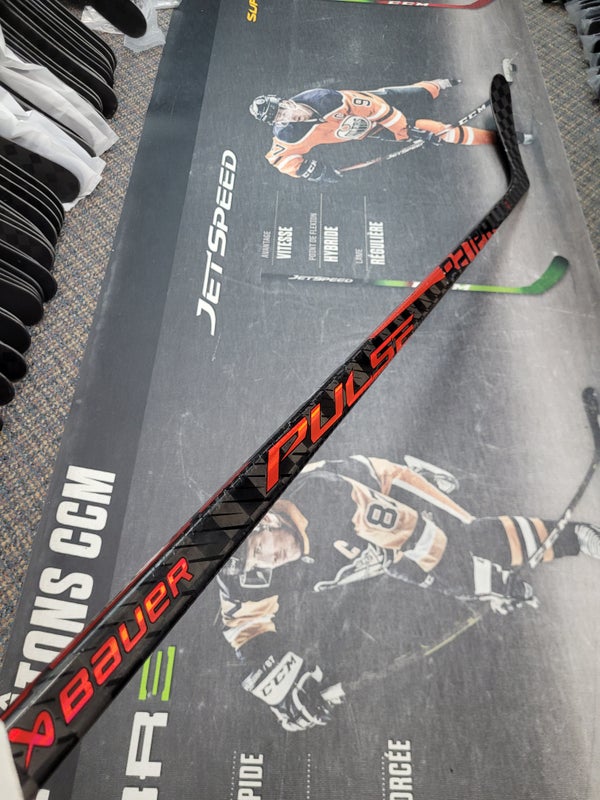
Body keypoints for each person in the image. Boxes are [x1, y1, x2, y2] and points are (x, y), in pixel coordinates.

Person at [216, 455, 600, 732]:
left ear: (270, 518)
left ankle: (574, 537)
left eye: (260, 544)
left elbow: (419, 537)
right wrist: (283, 691)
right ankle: (474, 549)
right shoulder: (247, 574)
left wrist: (489, 583)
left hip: (385, 499)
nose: (268, 559)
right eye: (255, 560)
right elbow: (245, 630)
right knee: (455, 577)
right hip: (366, 554)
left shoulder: (324, 497)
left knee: (468, 541)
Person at [248, 79, 528, 182]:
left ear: (284, 100)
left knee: (416, 95)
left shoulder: (324, 98)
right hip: (368, 131)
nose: (288, 115)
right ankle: (505, 139)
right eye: (280, 117)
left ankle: (444, 83)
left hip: (373, 106)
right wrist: (313, 171)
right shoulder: (288, 135)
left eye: (283, 108)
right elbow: (279, 160)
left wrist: (405, 132)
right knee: (439, 132)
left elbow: (381, 111)